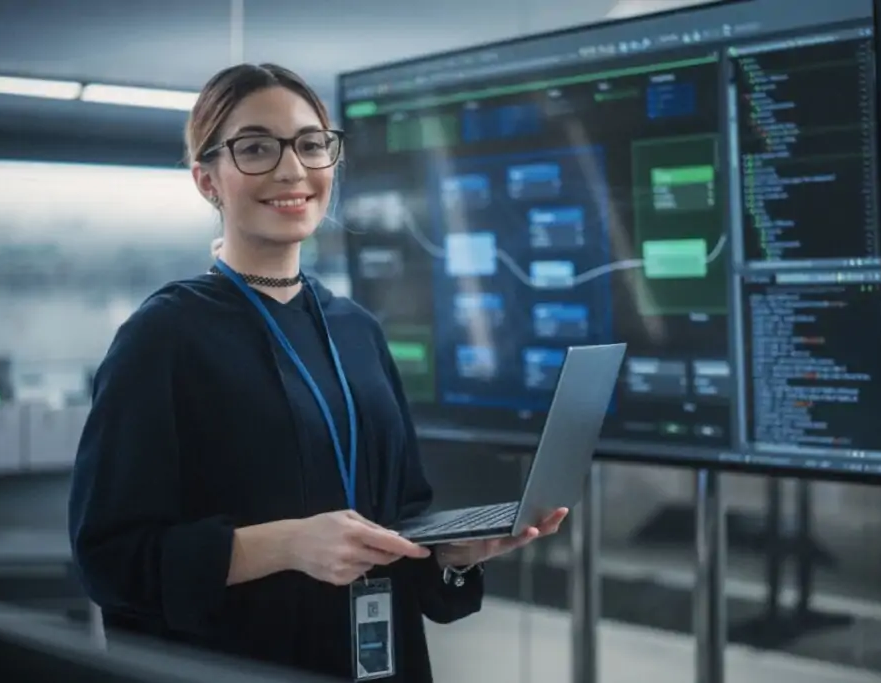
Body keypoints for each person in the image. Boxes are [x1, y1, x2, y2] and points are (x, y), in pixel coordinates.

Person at [68, 63, 567, 682]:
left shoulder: (357, 330)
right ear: (207, 181)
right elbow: (110, 560)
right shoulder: (163, 337)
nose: (292, 169)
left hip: (378, 661)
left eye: (310, 144)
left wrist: (452, 553)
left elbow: (403, 512)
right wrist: (283, 545)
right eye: (255, 148)